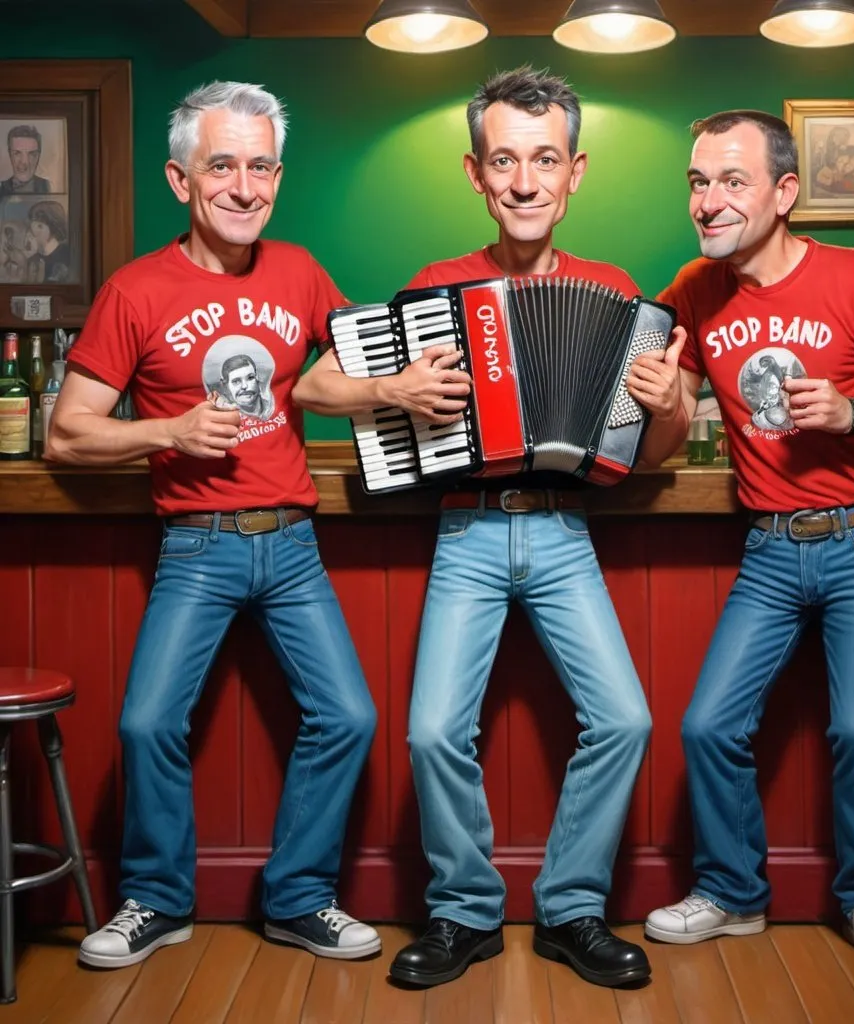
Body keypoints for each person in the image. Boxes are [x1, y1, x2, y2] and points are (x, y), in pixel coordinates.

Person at [294, 66, 670, 989]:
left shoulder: (616, 292)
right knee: (432, 734)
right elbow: (308, 385)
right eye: (505, 160)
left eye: (545, 160)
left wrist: (667, 401)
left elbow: (648, 455)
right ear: (476, 173)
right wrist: (391, 388)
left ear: (575, 171)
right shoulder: (436, 286)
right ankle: (463, 913)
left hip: (563, 535)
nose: (525, 182)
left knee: (625, 718)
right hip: (465, 532)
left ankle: (571, 910)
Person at [46, 81, 379, 969]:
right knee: (148, 724)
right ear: (180, 178)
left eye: (261, 165)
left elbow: (345, 371)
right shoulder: (136, 289)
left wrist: (388, 384)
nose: (244, 185)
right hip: (196, 545)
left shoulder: (301, 270)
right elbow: (67, 432)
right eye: (222, 165)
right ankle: (157, 900)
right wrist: (170, 430)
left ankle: (299, 899)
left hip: (294, 544)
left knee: (347, 715)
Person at [631, 109, 854, 971]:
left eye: (731, 181)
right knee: (708, 725)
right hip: (770, 548)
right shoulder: (694, 288)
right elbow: (661, 445)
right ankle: (735, 894)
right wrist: (664, 400)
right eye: (698, 182)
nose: (708, 201)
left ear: (785, 192)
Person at [216, 351, 274, 419]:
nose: (244, 386)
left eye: (250, 378)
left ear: (257, 378)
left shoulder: (272, 406)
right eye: (236, 381)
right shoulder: (224, 416)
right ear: (225, 386)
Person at [0, 125, 52, 196]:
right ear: (10, 155)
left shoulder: (47, 186)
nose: (24, 161)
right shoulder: (2, 188)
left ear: (38, 156)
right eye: (17, 153)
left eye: (31, 154)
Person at [27, 199, 71, 281]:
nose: (33, 231)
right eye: (32, 225)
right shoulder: (32, 258)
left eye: (40, 226)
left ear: (54, 228)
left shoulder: (65, 255)